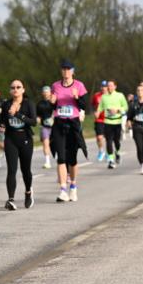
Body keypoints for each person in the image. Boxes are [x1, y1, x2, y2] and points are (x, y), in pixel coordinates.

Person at [49, 59, 89, 203]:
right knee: (61, 157)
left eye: (68, 69)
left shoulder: (79, 85)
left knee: (72, 159)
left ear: (73, 71)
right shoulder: (55, 86)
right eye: (63, 69)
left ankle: (73, 186)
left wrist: (77, 97)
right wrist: (52, 102)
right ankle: (62, 190)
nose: (66, 71)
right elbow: (52, 107)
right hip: (59, 124)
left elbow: (85, 105)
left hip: (73, 124)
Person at [0, 79, 37, 209]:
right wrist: (1, 126)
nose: (15, 89)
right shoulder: (6, 104)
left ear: (23, 90)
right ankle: (11, 199)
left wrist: (18, 114)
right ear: (10, 90)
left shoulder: (28, 104)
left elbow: (33, 122)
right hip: (10, 139)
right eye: (13, 87)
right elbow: (2, 121)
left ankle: (28, 192)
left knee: (25, 170)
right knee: (11, 169)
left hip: (25, 138)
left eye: (18, 87)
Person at [98, 79, 128, 169]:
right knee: (109, 141)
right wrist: (97, 112)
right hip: (107, 122)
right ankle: (111, 160)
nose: (109, 87)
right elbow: (100, 107)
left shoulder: (120, 95)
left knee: (116, 141)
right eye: (108, 85)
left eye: (111, 85)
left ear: (115, 87)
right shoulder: (104, 97)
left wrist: (118, 110)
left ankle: (117, 152)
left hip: (117, 122)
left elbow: (125, 107)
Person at [36, 86, 55, 170]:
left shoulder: (54, 102)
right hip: (44, 126)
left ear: (50, 92)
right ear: (42, 93)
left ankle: (58, 157)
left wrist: (53, 117)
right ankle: (47, 162)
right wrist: (38, 118)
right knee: (45, 143)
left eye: (47, 91)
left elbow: (57, 110)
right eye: (44, 91)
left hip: (55, 126)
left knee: (55, 144)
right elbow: (37, 114)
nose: (46, 93)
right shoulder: (39, 104)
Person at [91, 82, 107, 163]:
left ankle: (109, 152)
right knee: (99, 137)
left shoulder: (110, 96)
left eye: (105, 87)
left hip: (109, 119)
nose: (103, 88)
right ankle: (101, 151)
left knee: (108, 138)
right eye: (102, 86)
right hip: (99, 120)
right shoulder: (96, 95)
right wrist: (95, 112)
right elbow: (92, 105)